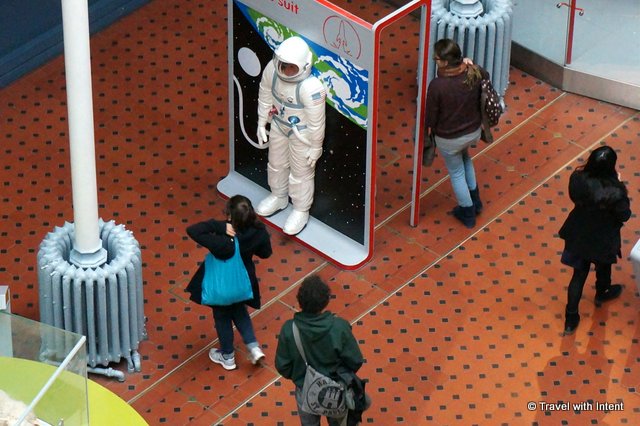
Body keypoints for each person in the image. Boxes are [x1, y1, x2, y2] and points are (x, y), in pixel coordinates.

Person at [185, 195, 273, 370]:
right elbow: (266, 253)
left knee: (222, 317)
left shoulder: (223, 241)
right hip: (243, 283)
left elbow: (193, 230)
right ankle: (253, 347)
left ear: (230, 216)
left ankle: (227, 356)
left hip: (221, 287)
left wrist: (220, 226)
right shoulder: (259, 230)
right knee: (240, 311)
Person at [255, 36, 327, 235]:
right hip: (278, 124)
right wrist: (262, 121)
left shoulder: (310, 88)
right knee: (276, 163)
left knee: (301, 173)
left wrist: (316, 146)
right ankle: (278, 196)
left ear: (304, 66)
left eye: (291, 68)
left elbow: (317, 123)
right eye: (283, 65)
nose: (285, 71)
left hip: (301, 134)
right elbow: (265, 94)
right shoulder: (272, 70)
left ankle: (300, 210)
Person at [559, 145, 631, 335]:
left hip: (579, 233)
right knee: (604, 265)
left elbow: (574, 197)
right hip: (603, 238)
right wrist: (618, 184)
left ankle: (570, 319)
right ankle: (602, 291)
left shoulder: (577, 178)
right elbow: (624, 215)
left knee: (578, 276)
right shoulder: (615, 191)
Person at [275, 275, 365, 426]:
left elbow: (282, 366)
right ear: (325, 301)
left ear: (300, 300)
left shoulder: (289, 329)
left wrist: (300, 377)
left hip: (305, 390)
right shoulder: (339, 327)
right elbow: (355, 360)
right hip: (336, 389)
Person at [425, 38, 488, 228]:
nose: (435, 61)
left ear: (445, 62)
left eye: (436, 58)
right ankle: (476, 201)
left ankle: (467, 212)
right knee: (466, 159)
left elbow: (431, 117)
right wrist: (472, 64)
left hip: (449, 139)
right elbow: (486, 76)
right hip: (473, 131)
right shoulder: (471, 72)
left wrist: (428, 131)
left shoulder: (438, 85)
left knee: (456, 173)